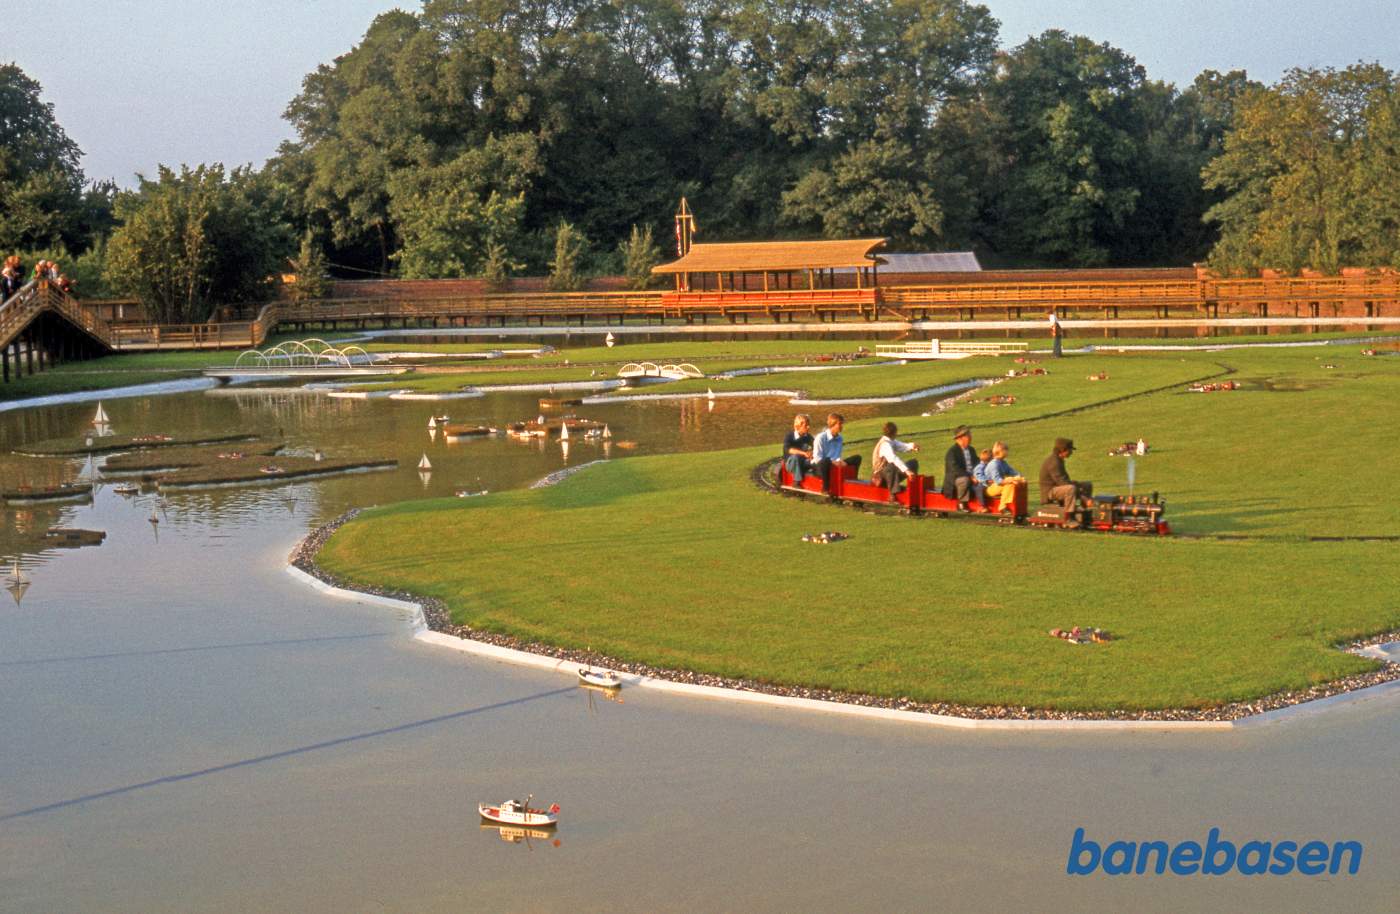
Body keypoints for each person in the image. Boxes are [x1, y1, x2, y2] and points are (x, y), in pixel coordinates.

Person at [1039, 437, 1093, 516]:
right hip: (1050, 492)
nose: (1071, 452)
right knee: (1071, 489)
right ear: (1063, 450)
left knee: (1087, 485)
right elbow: (1063, 483)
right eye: (1070, 450)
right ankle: (1069, 516)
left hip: (1058, 487)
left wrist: (1078, 486)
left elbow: (1065, 480)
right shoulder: (1054, 462)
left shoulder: (1058, 460)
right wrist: (1083, 497)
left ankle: (1084, 511)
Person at [812, 412, 861, 487]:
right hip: (821, 467)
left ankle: (853, 481)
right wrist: (833, 462)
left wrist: (840, 462)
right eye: (840, 424)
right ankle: (825, 488)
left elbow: (837, 455)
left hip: (835, 464)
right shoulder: (820, 438)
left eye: (842, 424)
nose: (842, 426)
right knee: (826, 460)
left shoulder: (840, 438)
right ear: (832, 424)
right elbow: (817, 459)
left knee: (857, 458)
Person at [871, 421, 920, 493]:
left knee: (913, 463)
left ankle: (913, 489)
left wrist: (912, 446)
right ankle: (893, 494)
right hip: (881, 477)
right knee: (891, 466)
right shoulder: (885, 445)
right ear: (894, 433)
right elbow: (893, 459)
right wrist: (907, 471)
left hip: (890, 474)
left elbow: (900, 445)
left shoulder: (890, 440)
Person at [942, 425, 983, 510]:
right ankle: (962, 503)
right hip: (956, 480)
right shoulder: (952, 452)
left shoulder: (971, 449)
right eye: (968, 435)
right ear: (960, 438)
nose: (971, 437)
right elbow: (955, 469)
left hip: (972, 476)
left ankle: (984, 504)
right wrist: (970, 476)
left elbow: (976, 462)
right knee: (965, 479)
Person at [983, 441, 1026, 515]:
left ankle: (1012, 507)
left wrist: (1020, 477)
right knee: (1009, 484)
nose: (1007, 452)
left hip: (997, 486)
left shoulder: (1003, 462)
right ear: (1000, 451)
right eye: (1006, 450)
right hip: (989, 488)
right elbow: (997, 481)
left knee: (1012, 483)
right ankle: (1002, 507)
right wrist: (1010, 480)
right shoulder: (994, 464)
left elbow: (1011, 471)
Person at [782, 414, 815, 483]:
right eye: (806, 425)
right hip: (791, 464)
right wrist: (804, 453)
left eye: (808, 425)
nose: (808, 427)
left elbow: (815, 447)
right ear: (798, 427)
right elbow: (789, 449)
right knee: (796, 457)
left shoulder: (808, 437)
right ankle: (796, 481)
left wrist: (811, 453)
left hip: (804, 462)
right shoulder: (789, 436)